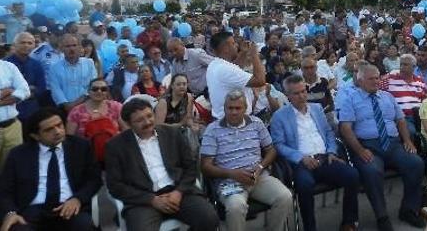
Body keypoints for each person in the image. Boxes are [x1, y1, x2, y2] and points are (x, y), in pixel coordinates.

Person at [105, 98, 219, 231]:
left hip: (178, 192)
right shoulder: (116, 146)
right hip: (143, 200)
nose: (147, 122)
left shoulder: (171, 133)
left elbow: (190, 167)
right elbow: (115, 185)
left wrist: (178, 192)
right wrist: (151, 200)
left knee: (209, 218)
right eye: (139, 120)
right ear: (129, 124)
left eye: (149, 116)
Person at [337, 64, 425, 231]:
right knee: (372, 171)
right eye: (371, 78)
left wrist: (407, 140)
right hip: (367, 146)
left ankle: (409, 210)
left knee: (416, 163)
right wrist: (360, 150)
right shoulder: (350, 99)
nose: (376, 81)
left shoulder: (387, 97)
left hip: (392, 144)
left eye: (377, 77)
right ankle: (382, 216)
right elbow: (345, 128)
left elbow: (400, 120)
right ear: (360, 80)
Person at [270, 76, 359, 231]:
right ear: (288, 95)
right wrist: (300, 157)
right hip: (301, 163)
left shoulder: (317, 108)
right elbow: (278, 145)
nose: (302, 96)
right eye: (296, 93)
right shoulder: (280, 116)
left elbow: (329, 133)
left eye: (304, 91)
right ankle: (310, 228)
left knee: (352, 175)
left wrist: (332, 151)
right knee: (305, 185)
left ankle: (349, 222)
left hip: (325, 158)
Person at [201, 90, 292, 231]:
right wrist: (232, 174)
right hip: (229, 181)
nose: (234, 112)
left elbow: (271, 150)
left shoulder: (256, 123)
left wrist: (261, 167)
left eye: (238, 108)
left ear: (245, 109)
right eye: (230, 108)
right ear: (224, 108)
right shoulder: (213, 130)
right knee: (236, 207)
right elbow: (205, 166)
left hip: (258, 177)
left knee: (285, 197)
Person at [0, 108, 102, 231]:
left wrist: (78, 199)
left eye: (59, 125)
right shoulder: (18, 154)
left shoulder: (80, 146)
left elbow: (94, 179)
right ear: (35, 136)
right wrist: (11, 212)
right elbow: (5, 189)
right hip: (31, 210)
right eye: (49, 130)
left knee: (84, 226)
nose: (57, 131)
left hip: (69, 206)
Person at [205, 31, 266, 120]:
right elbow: (260, 81)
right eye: (233, 43)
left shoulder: (216, 64)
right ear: (225, 48)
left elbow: (236, 68)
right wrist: (254, 55)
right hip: (232, 122)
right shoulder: (225, 69)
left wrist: (244, 52)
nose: (237, 45)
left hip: (227, 118)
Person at [378, 54, 427, 136]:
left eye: (405, 65)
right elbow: (377, 95)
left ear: (414, 67)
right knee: (411, 132)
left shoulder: (420, 82)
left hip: (419, 116)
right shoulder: (389, 80)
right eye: (401, 64)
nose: (402, 67)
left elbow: (426, 101)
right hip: (401, 117)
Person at [47, 35, 96, 113]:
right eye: (67, 46)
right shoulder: (54, 68)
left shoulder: (89, 63)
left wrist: (75, 104)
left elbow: (93, 85)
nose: (71, 49)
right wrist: (67, 105)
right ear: (62, 49)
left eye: (74, 45)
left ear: (79, 47)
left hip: (87, 107)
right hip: (65, 109)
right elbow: (56, 89)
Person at [5, 32, 47, 121]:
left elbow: (41, 88)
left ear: (34, 45)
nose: (26, 45)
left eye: (30, 43)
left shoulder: (36, 65)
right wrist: (29, 89)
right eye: (22, 42)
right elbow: (3, 90)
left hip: (32, 111)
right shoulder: (4, 65)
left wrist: (17, 91)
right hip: (9, 112)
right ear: (14, 45)